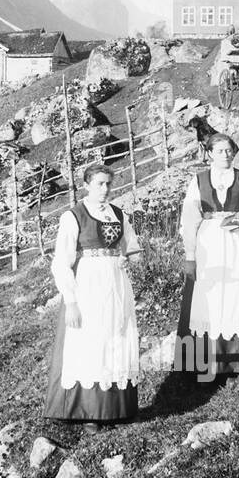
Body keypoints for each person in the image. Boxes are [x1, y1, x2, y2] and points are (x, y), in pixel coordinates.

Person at [43, 164, 142, 432]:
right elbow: (61, 263)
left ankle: (118, 407)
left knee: (117, 338)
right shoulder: (73, 216)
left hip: (117, 285)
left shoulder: (119, 215)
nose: (105, 189)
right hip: (89, 285)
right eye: (99, 184)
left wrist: (127, 258)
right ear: (87, 184)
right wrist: (71, 301)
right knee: (92, 341)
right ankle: (90, 411)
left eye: (109, 184)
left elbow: (133, 249)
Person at [177, 134, 239, 381]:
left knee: (234, 295)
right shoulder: (198, 181)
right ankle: (204, 362)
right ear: (209, 154)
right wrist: (191, 252)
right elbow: (189, 218)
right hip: (209, 245)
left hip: (235, 242)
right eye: (219, 151)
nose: (225, 155)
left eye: (229, 150)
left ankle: (232, 361)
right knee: (210, 297)